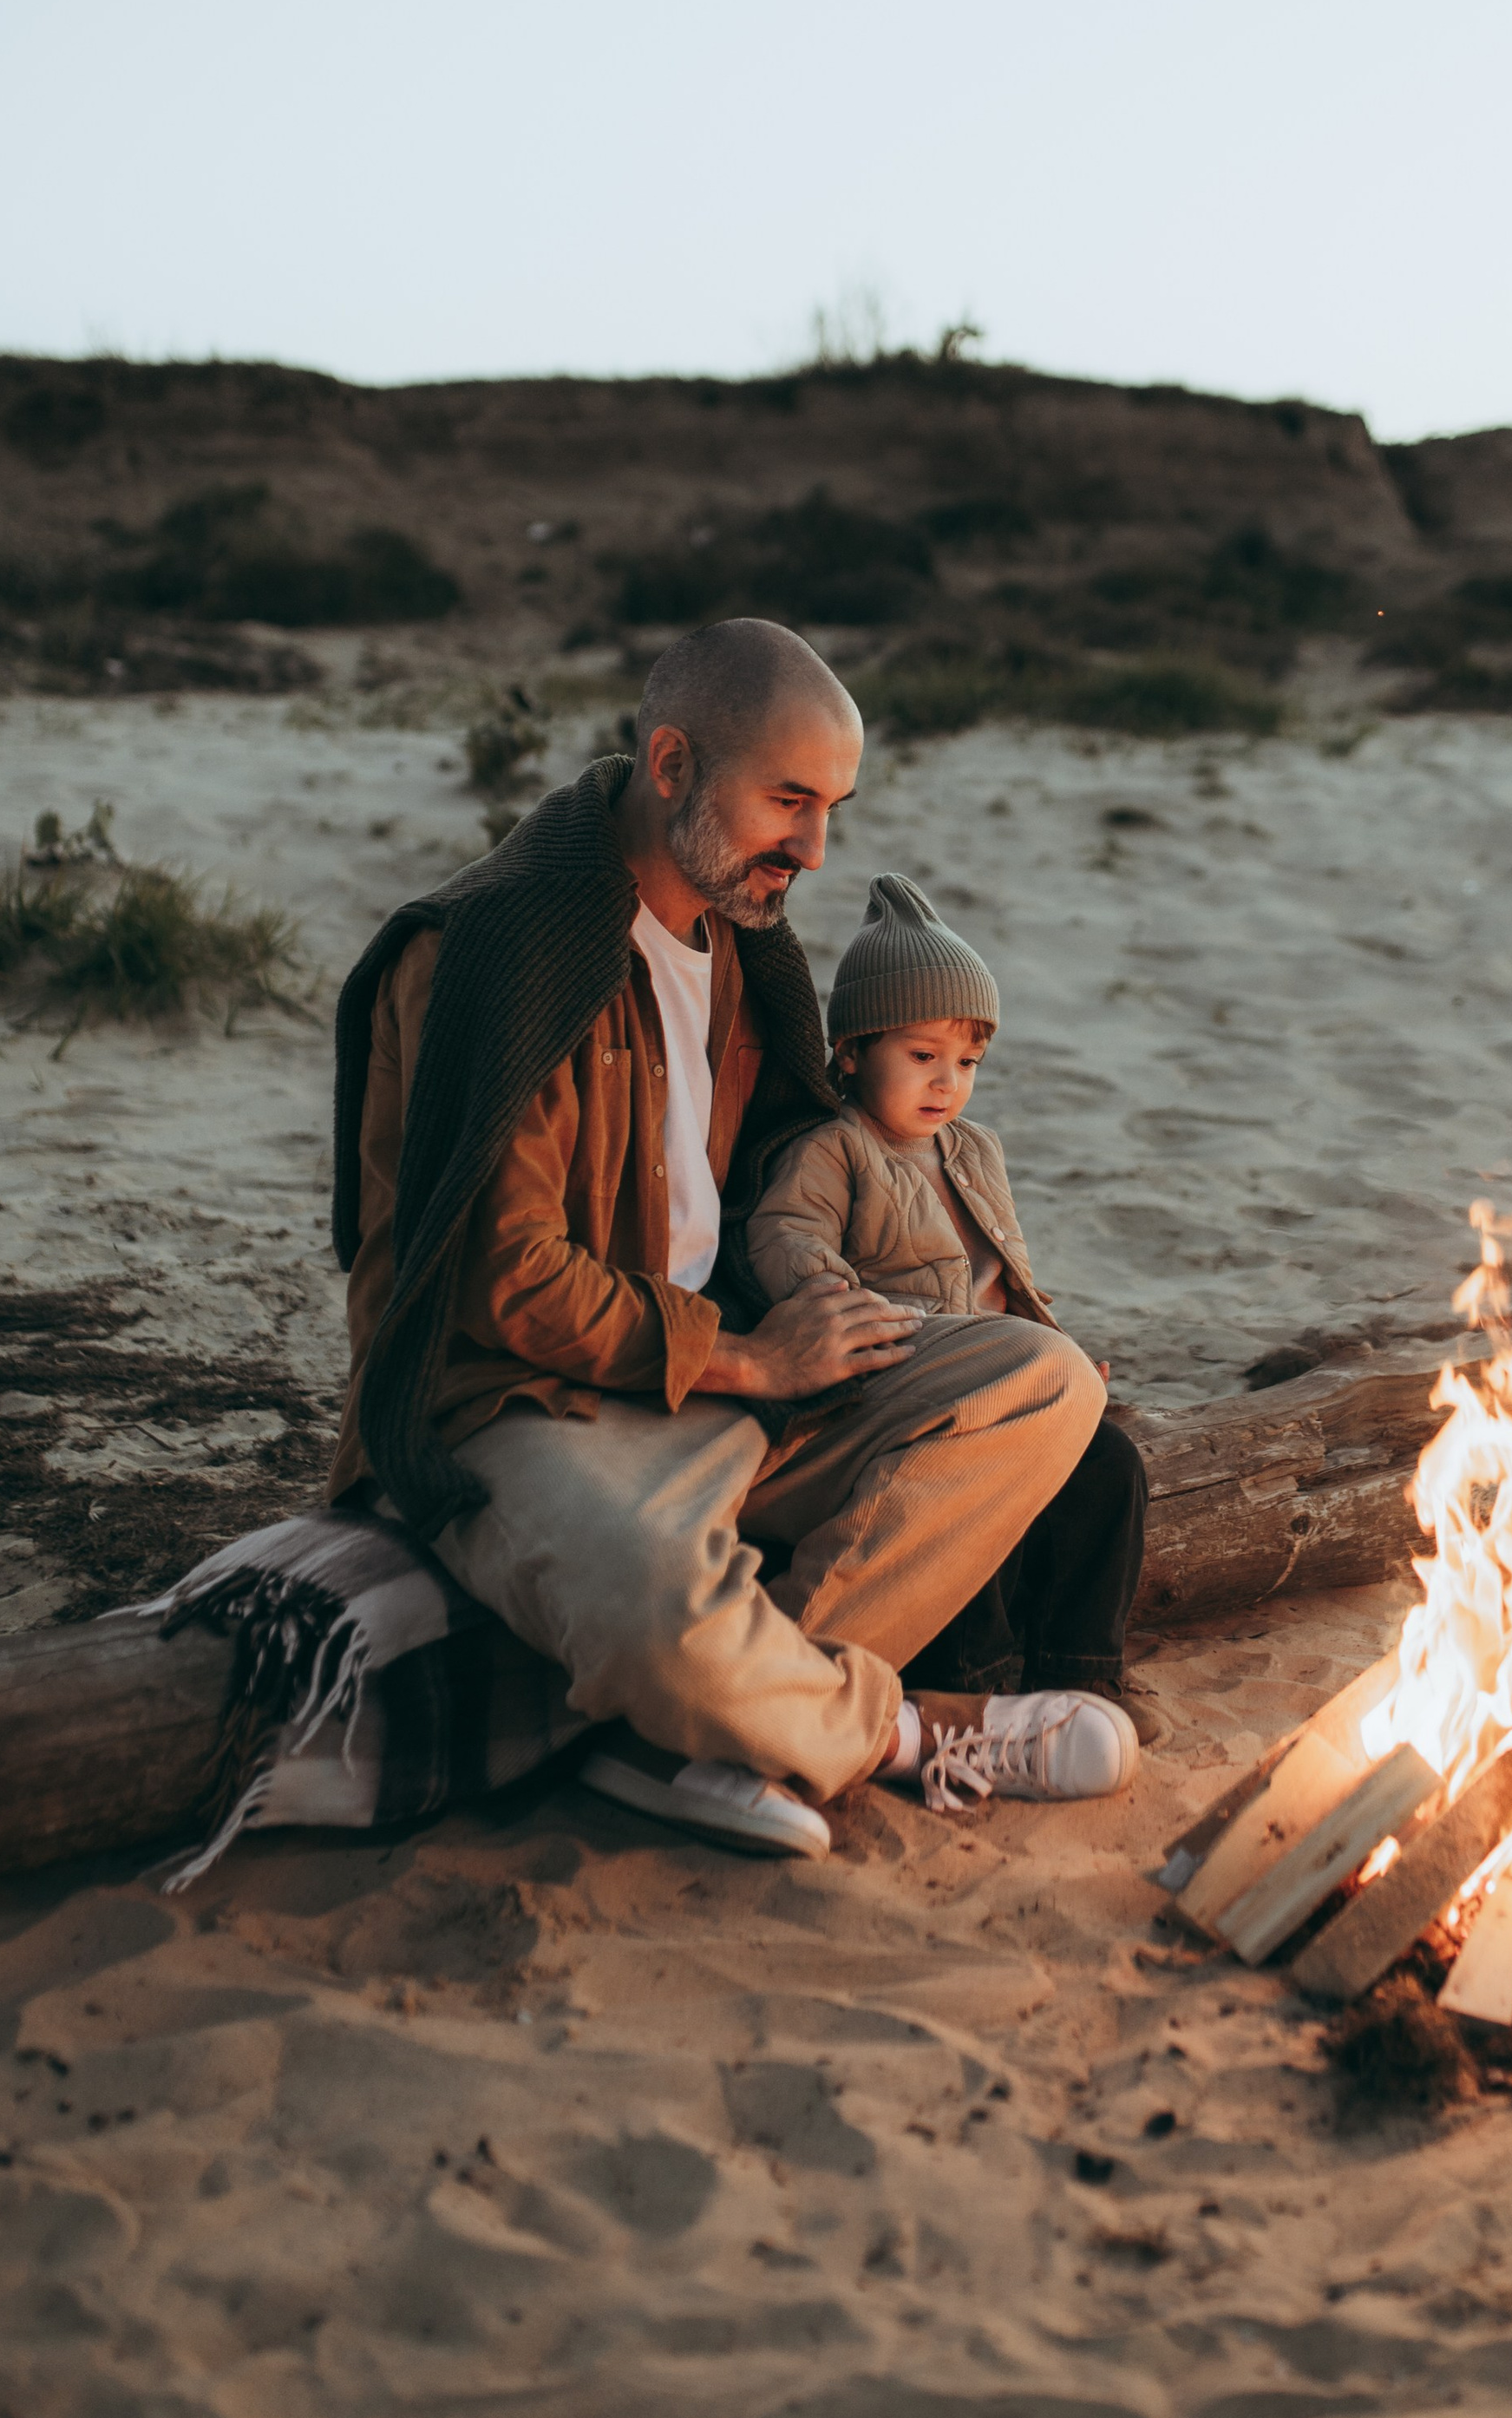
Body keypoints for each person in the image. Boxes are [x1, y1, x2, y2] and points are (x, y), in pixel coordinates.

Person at [328, 617, 1139, 1862]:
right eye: (789, 801)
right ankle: (906, 1731)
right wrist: (755, 1361)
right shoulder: (492, 952)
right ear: (671, 765)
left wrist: (830, 1327)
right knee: (660, 1609)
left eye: (832, 809)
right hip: (527, 1401)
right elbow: (507, 1281)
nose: (815, 849)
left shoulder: (741, 947)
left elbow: (792, 1180)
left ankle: (717, 1731)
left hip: (727, 1380)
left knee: (1046, 1381)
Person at [746, 873, 1150, 1730]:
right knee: (959, 1489)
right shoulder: (836, 1150)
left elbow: (1006, 1276)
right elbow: (784, 1233)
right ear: (852, 1052)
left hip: (999, 1374)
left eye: (967, 1062)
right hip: (898, 1384)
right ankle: (975, 1682)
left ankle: (1082, 1675)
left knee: (1110, 1466)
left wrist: (1056, 1350)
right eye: (922, 1056)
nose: (947, 1083)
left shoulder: (974, 1151)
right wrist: (833, 1295)